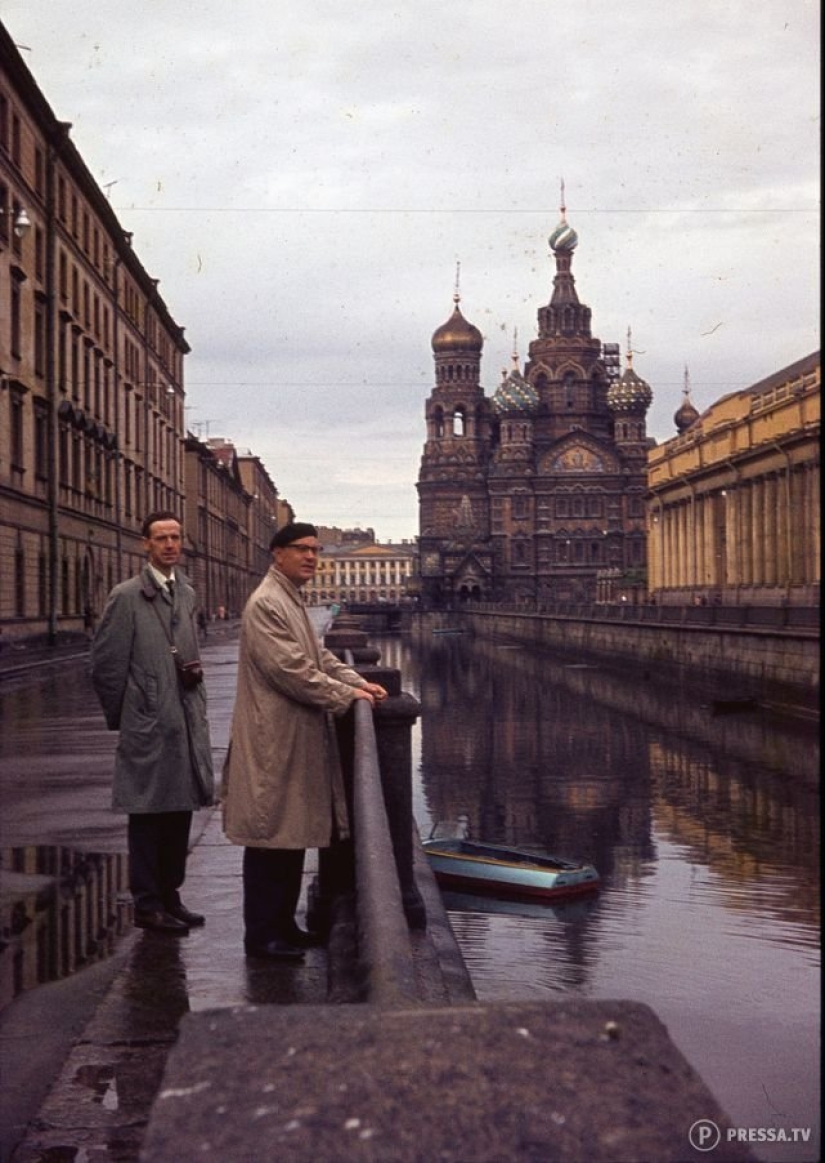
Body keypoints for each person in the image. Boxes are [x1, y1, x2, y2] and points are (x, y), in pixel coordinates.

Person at [222, 522, 387, 961]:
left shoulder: (290, 597)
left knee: (289, 834)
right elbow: (291, 670)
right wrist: (344, 695)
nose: (312, 557)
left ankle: (284, 926)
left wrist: (358, 681)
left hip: (292, 735)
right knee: (269, 838)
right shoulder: (267, 603)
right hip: (273, 737)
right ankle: (261, 936)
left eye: (315, 549)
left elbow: (320, 656)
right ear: (277, 553)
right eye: (302, 549)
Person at [90, 511, 215, 934]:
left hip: (182, 722)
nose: (170, 545)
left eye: (176, 537)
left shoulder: (187, 593)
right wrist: (129, 716)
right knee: (147, 815)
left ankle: (170, 896)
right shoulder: (127, 596)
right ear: (146, 544)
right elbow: (106, 666)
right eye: (161, 538)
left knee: (178, 811)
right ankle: (147, 904)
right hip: (148, 724)